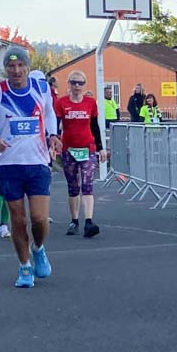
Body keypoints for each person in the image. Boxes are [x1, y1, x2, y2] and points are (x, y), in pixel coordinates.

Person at [0, 46, 62, 288]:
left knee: (39, 219)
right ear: (6, 69)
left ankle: (39, 248)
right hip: (10, 164)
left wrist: (53, 135)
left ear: (28, 67)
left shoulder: (41, 88)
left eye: (21, 65)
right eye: (11, 66)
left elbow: (49, 113)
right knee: (19, 220)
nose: (16, 70)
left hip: (37, 162)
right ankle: (24, 267)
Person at [54, 69, 107, 238]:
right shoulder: (61, 103)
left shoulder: (90, 103)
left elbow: (95, 126)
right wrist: (54, 143)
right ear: (69, 84)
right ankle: (74, 220)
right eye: (74, 82)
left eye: (80, 83)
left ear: (84, 85)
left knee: (87, 185)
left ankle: (89, 221)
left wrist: (101, 148)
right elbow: (56, 125)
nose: (77, 86)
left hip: (87, 148)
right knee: (73, 186)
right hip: (69, 149)